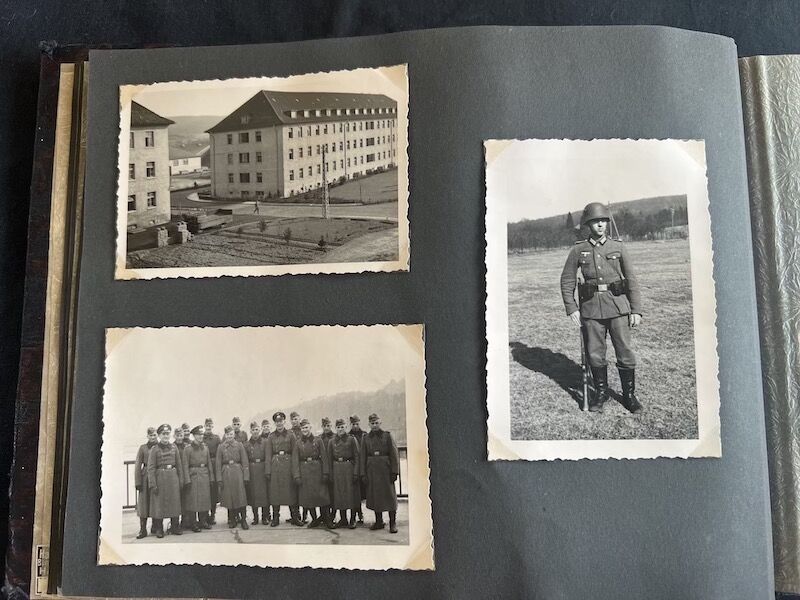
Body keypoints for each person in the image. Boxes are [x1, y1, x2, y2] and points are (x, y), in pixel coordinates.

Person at [560, 202, 643, 414]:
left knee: (624, 351)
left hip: (618, 308)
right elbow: (567, 279)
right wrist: (572, 307)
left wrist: (636, 309)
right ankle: (601, 393)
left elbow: (631, 279)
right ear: (588, 224)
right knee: (595, 354)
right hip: (591, 311)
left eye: (603, 221)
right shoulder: (579, 249)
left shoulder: (618, 247)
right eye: (596, 221)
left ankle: (629, 395)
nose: (600, 225)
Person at [359, 413, 399, 533]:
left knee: (390, 496)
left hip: (385, 471)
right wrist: (363, 474)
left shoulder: (387, 436)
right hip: (372, 471)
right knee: (376, 496)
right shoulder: (365, 438)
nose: (375, 425)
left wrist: (394, 472)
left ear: (380, 423)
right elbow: (363, 457)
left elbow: (394, 454)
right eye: (372, 423)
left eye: (376, 423)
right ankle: (379, 521)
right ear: (369, 424)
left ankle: (393, 522)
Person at [147, 424, 189, 538]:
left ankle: (175, 526)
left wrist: (181, 481)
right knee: (159, 504)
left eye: (167, 434)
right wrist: (152, 484)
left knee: (174, 503)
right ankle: (159, 529)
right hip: (160, 478)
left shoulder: (174, 447)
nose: (166, 436)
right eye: (163, 434)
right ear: (159, 435)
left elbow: (179, 466)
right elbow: (150, 468)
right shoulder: (154, 449)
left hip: (173, 479)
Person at [265, 412, 302, 527]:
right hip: (275, 466)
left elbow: (295, 453)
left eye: (281, 421)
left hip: (288, 465)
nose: (279, 423)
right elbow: (268, 454)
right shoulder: (271, 436)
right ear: (275, 423)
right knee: (276, 493)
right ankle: (276, 518)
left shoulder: (291, 435)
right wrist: (268, 471)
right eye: (277, 422)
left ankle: (295, 517)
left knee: (291, 492)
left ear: (284, 422)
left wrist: (295, 472)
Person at [294, 418, 331, 528]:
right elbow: (295, 461)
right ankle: (315, 519)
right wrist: (297, 476)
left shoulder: (318, 440)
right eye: (303, 428)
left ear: (310, 427)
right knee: (308, 498)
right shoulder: (298, 443)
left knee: (322, 496)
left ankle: (326, 519)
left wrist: (325, 473)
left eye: (306, 427)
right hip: (304, 471)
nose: (305, 430)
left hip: (317, 470)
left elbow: (324, 457)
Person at [215, 425, 250, 529]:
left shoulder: (239, 445)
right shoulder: (221, 447)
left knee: (241, 497)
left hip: (238, 472)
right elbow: (218, 463)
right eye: (227, 434)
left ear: (233, 434)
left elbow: (245, 461)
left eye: (231, 434)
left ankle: (243, 520)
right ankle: (232, 520)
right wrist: (219, 478)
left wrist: (246, 476)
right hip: (226, 472)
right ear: (225, 435)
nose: (229, 436)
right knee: (229, 498)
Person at [328, 418, 360, 529]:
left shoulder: (352, 439)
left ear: (346, 427)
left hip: (348, 468)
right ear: (335, 428)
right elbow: (329, 458)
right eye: (338, 427)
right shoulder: (332, 441)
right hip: (337, 468)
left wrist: (356, 472)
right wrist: (330, 474)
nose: (340, 429)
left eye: (342, 427)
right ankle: (343, 519)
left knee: (351, 494)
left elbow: (357, 456)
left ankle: (352, 519)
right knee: (339, 494)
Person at [183, 425, 214, 532]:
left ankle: (203, 521)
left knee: (204, 499)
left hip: (204, 475)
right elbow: (185, 465)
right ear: (194, 435)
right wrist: (187, 480)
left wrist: (211, 478)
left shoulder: (205, 447)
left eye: (202, 434)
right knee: (193, 500)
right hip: (193, 475)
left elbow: (209, 463)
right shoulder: (188, 449)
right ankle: (193, 523)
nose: (201, 436)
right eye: (198, 435)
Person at [133, 426, 157, 539]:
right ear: (147, 436)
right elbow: (138, 465)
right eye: (151, 435)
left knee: (156, 502)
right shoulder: (143, 448)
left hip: (157, 477)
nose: (153, 437)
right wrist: (138, 482)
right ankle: (143, 529)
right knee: (144, 504)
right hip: (145, 478)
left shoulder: (160, 447)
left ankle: (156, 526)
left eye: (154, 435)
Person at [245, 421, 270, 525]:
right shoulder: (246, 444)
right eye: (253, 430)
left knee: (264, 495)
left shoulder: (265, 442)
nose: (255, 432)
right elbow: (245, 461)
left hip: (262, 469)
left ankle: (265, 517)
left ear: (260, 430)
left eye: (257, 429)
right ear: (250, 431)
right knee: (253, 495)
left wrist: (268, 471)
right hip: (252, 470)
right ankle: (256, 518)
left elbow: (268, 457)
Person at [203, 418, 222, 525]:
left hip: (214, 465)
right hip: (205, 465)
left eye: (210, 425)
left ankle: (213, 515)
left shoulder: (216, 438)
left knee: (214, 492)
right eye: (207, 426)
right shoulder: (201, 438)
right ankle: (205, 516)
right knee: (206, 491)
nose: (208, 427)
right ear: (204, 426)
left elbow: (220, 451)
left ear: (212, 426)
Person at [348, 414, 367, 524]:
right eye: (353, 424)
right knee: (355, 493)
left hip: (363, 467)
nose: (355, 426)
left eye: (357, 424)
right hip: (353, 467)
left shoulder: (365, 435)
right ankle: (357, 514)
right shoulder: (348, 436)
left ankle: (360, 513)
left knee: (363, 493)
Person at [288, 411, 305, 522]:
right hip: (292, 462)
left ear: (299, 418)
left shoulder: (304, 430)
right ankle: (294, 514)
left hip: (302, 463)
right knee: (292, 489)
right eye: (293, 419)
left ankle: (304, 515)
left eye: (296, 418)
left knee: (303, 490)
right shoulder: (289, 432)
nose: (295, 421)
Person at [173, 425, 190, 529]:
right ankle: (175, 523)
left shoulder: (187, 446)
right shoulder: (172, 446)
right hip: (175, 475)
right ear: (174, 436)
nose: (179, 437)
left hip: (186, 473)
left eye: (181, 435)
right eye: (177, 435)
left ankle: (186, 521)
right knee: (176, 499)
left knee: (186, 498)